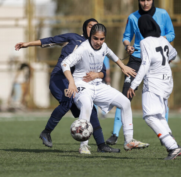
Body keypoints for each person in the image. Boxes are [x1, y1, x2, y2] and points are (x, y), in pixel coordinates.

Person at [15, 19, 120, 154]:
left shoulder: (96, 49)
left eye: (95, 27)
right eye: (90, 26)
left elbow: (102, 71)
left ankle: (101, 145)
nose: (92, 28)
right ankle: (46, 132)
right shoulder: (73, 38)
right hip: (60, 78)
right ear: (84, 28)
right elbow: (50, 40)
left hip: (76, 82)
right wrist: (28, 44)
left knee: (91, 110)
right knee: (68, 98)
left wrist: (98, 75)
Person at [62, 23, 149, 151]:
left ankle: (129, 140)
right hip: (81, 85)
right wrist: (71, 82)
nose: (98, 42)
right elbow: (65, 63)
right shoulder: (83, 48)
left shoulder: (104, 46)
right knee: (86, 105)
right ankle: (84, 146)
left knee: (125, 102)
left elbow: (111, 54)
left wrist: (123, 66)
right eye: (95, 38)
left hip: (97, 85)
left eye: (101, 39)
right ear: (90, 36)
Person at [107, 0, 175, 145]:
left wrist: (160, 40)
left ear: (153, 0)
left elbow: (171, 34)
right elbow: (126, 37)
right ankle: (115, 134)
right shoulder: (132, 17)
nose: (145, 3)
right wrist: (127, 46)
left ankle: (166, 133)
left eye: (148, 0)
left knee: (162, 99)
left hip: (156, 62)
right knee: (125, 97)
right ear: (139, 1)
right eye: (142, 0)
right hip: (136, 60)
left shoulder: (163, 14)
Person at [127, 15, 181, 160]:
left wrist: (133, 85)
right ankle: (171, 141)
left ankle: (172, 146)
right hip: (167, 81)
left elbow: (145, 64)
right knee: (159, 115)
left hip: (154, 82)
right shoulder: (163, 39)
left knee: (149, 116)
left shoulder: (145, 42)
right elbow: (174, 53)